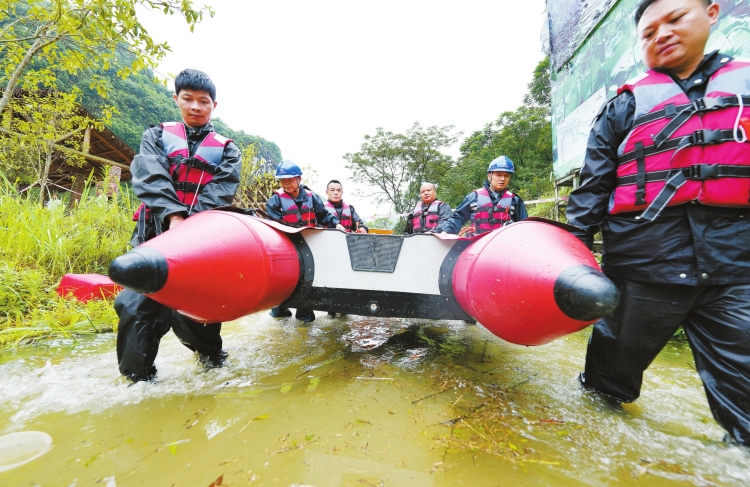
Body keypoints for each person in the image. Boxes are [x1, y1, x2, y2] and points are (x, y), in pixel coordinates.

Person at [566, 0, 750, 446]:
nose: (662, 35)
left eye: (675, 20)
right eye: (649, 32)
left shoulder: (743, 86)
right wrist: (569, 253)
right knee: (604, 389)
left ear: (711, 12)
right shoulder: (622, 108)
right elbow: (592, 189)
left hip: (735, 270)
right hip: (645, 268)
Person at [114, 69, 242, 382]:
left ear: (214, 105)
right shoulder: (155, 136)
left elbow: (220, 191)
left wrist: (187, 226)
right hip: (154, 235)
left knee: (196, 311)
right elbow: (152, 178)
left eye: (203, 101)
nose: (195, 107)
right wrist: (173, 215)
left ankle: (212, 362)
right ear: (177, 99)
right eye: (188, 99)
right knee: (135, 305)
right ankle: (138, 380)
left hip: (200, 240)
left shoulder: (228, 149)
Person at [266, 160, 344, 322]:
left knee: (309, 281)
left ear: (299, 179)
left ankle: (304, 318)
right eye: (283, 180)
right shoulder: (275, 201)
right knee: (283, 282)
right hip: (286, 248)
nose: (286, 184)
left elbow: (324, 215)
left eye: (290, 180)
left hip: (309, 247)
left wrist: (337, 224)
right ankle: (280, 313)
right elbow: (273, 227)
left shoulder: (312, 197)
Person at [443, 156, 528, 236]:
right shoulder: (473, 197)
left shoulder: (515, 200)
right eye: (498, 175)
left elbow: (525, 227)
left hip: (504, 244)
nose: (502, 179)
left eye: (506, 176)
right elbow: (457, 218)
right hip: (477, 244)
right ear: (489, 176)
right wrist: (445, 231)